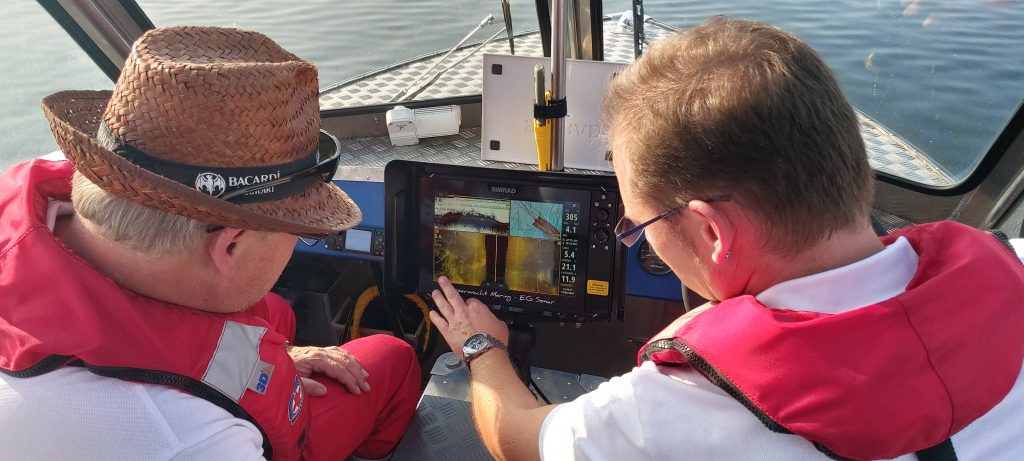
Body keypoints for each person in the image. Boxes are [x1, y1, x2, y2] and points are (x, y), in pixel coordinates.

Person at [427, 16, 1024, 461]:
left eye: (640, 225)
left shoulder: (673, 405)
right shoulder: (1010, 262)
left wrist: (483, 349)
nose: (638, 240)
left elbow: (516, 437)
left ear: (712, 229)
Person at [0, 26, 419, 460]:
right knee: (391, 357)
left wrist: (284, 353)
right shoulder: (191, 441)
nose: (297, 242)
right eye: (299, 229)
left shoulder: (51, 179)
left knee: (274, 312)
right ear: (231, 246)